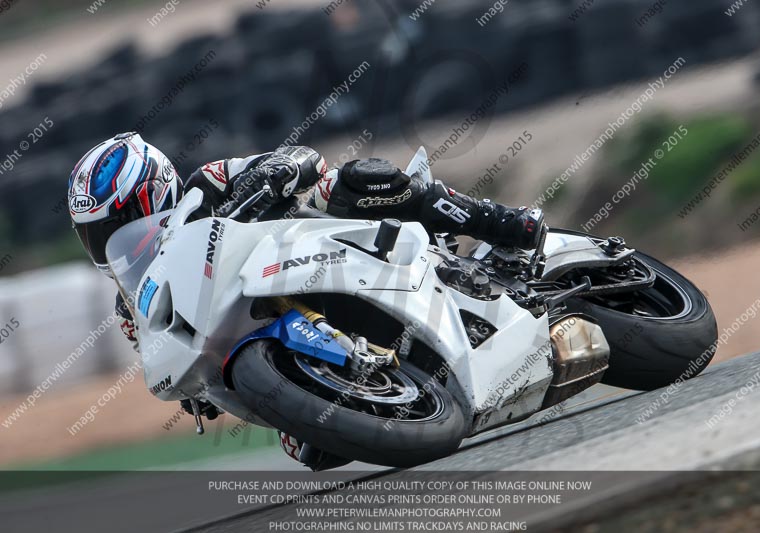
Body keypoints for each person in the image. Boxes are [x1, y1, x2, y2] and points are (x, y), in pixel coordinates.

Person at [67, 132, 546, 469]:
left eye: (124, 221)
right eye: (102, 236)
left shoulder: (204, 186)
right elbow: (179, 372)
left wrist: (274, 173)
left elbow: (305, 158)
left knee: (345, 182)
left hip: (315, 249)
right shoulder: (134, 308)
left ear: (156, 190)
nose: (118, 243)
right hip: (258, 331)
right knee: (308, 449)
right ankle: (387, 383)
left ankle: (494, 220)